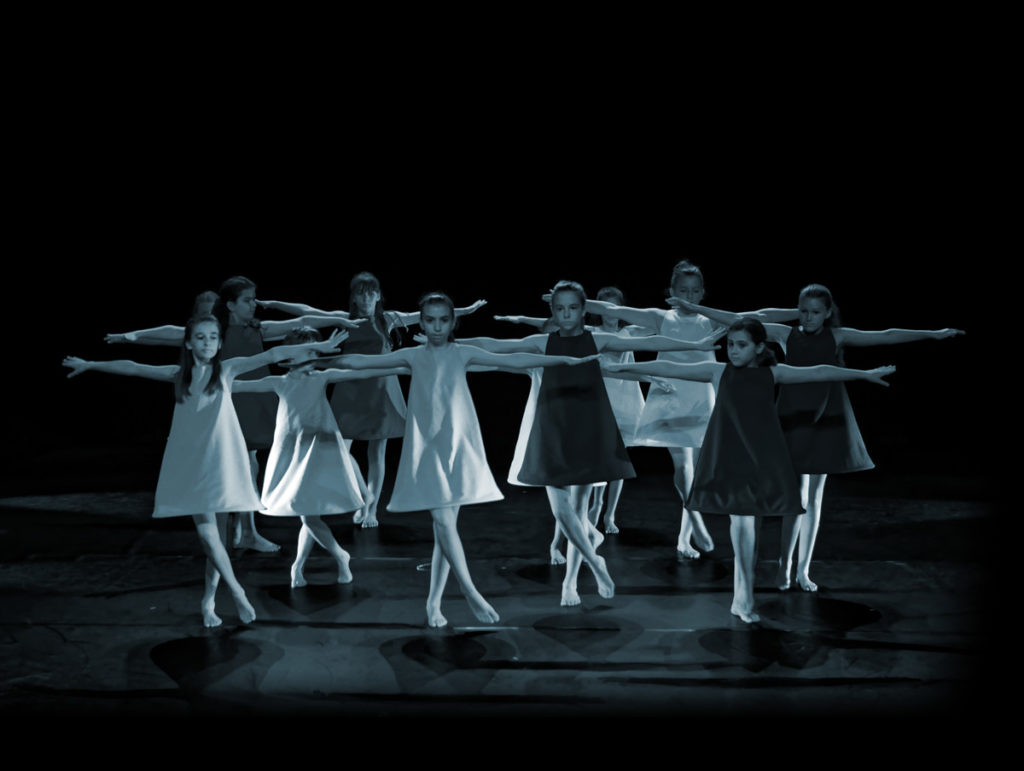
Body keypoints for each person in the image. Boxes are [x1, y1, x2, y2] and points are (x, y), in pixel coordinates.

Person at [669, 284, 964, 592]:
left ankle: (803, 569)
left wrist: (933, 334)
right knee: (793, 495)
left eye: (815, 312)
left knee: (814, 498)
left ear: (827, 313)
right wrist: (695, 308)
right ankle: (782, 563)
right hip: (792, 417)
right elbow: (736, 319)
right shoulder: (785, 334)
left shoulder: (838, 335)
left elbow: (886, 334)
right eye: (803, 312)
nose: (808, 318)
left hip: (826, 416)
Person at [332, 292, 598, 628]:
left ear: (453, 322)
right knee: (444, 526)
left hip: (457, 449)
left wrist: (565, 360)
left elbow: (514, 360)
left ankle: (433, 604)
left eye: (443, 320)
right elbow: (361, 362)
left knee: (445, 533)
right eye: (430, 320)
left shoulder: (463, 353)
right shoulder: (412, 355)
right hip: (425, 452)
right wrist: (319, 357)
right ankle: (471, 592)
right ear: (421, 321)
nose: (436, 327)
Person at [603, 318, 896, 623]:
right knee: (742, 524)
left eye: (741, 345)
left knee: (751, 528)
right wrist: (621, 367)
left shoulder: (773, 373)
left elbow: (819, 371)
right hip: (730, 459)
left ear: (758, 347)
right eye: (730, 344)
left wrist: (863, 374)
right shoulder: (718, 371)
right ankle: (742, 597)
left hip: (763, 459)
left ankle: (745, 592)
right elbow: (668, 367)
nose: (733, 350)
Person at [63, 317, 346, 626]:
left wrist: (321, 345)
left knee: (217, 543)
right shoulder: (179, 375)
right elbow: (133, 367)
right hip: (191, 462)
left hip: (221, 462)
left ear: (219, 343)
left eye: (213, 337)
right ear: (188, 342)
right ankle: (237, 592)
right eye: (200, 337)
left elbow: (272, 354)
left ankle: (208, 601)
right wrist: (91, 364)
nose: (207, 342)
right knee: (209, 538)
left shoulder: (226, 369)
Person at [458, 280, 719, 607]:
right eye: (560, 309)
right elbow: (496, 345)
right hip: (552, 431)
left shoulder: (598, 340)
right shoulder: (542, 342)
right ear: (553, 312)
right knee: (561, 510)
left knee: (580, 510)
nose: (566, 314)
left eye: (572, 308)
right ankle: (595, 561)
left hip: (588, 430)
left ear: (583, 310)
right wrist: (449, 342)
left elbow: (653, 343)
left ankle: (570, 584)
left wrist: (694, 342)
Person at [105, 277, 362, 552]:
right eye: (247, 300)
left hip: (254, 400)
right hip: (230, 401)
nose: (253, 305)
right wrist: (131, 336)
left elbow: (301, 322)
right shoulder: (216, 332)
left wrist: (339, 320)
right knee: (240, 464)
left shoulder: (259, 328)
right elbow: (169, 332)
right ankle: (239, 529)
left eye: (253, 299)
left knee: (250, 463)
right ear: (230, 305)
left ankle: (245, 529)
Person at [578, 261, 798, 560]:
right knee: (683, 467)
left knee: (698, 469)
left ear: (703, 293)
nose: (689, 297)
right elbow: (615, 310)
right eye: (683, 291)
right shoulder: (661, 317)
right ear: (672, 291)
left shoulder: (711, 320)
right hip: (670, 393)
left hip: (701, 395)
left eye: (695, 292)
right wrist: (579, 301)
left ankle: (684, 539)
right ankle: (696, 517)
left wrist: (799, 312)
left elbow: (758, 316)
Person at [258, 277, 488, 528]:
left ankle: (371, 510)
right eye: (361, 293)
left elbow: (420, 315)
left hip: (381, 389)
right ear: (354, 297)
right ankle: (361, 498)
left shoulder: (387, 319)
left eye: (371, 293)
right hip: (350, 389)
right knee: (338, 449)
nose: (366, 298)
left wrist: (466, 310)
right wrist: (273, 303)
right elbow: (307, 312)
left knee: (377, 454)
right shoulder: (346, 318)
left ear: (378, 296)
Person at [231, 327, 412, 587]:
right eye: (306, 352)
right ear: (289, 355)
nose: (312, 357)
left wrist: (403, 367)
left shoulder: (321, 377)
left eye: (315, 352)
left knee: (308, 515)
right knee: (308, 515)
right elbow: (236, 385)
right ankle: (308, 564)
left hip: (318, 451)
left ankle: (327, 559)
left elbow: (363, 371)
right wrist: (204, 378)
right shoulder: (279, 382)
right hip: (292, 456)